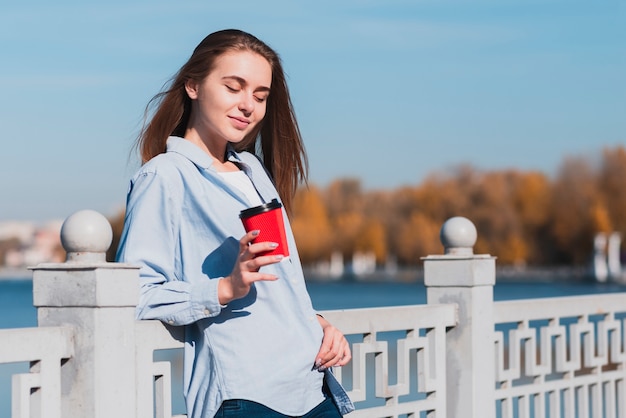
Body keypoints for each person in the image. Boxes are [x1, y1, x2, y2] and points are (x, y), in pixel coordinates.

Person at [116, 29, 354, 418]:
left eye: (260, 96)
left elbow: (278, 280)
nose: (249, 106)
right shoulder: (165, 177)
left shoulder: (253, 170)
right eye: (233, 87)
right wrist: (226, 287)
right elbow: (137, 294)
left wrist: (318, 323)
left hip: (313, 385)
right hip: (248, 396)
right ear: (193, 85)